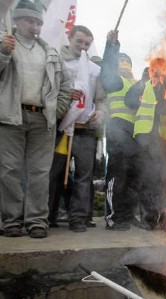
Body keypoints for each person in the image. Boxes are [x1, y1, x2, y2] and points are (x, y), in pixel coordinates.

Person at [0, 0, 71, 238]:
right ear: (16, 20)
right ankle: (11, 220)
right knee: (9, 170)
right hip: (11, 117)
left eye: (38, 22)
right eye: (30, 21)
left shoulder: (50, 52)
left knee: (40, 172)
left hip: (42, 119)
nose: (35, 26)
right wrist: (2, 53)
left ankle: (36, 221)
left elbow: (65, 85)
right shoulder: (5, 44)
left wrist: (56, 110)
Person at [49, 25, 106, 234]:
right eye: (79, 42)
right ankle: (48, 216)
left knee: (84, 177)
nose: (82, 47)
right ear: (70, 38)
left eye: (86, 44)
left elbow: (101, 98)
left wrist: (100, 112)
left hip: (85, 129)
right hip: (61, 128)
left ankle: (78, 219)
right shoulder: (56, 61)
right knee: (53, 174)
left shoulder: (94, 69)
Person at [126, 58, 166, 231]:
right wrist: (143, 83)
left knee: (165, 179)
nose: (157, 73)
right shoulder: (142, 84)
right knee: (148, 179)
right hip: (145, 137)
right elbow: (129, 101)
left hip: (164, 140)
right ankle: (149, 218)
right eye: (154, 70)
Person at [100, 30, 140, 231]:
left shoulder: (136, 83)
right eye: (120, 61)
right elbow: (107, 71)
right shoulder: (115, 81)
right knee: (117, 176)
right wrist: (112, 47)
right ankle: (114, 216)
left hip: (136, 134)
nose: (124, 65)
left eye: (127, 61)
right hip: (118, 130)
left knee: (133, 176)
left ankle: (128, 215)